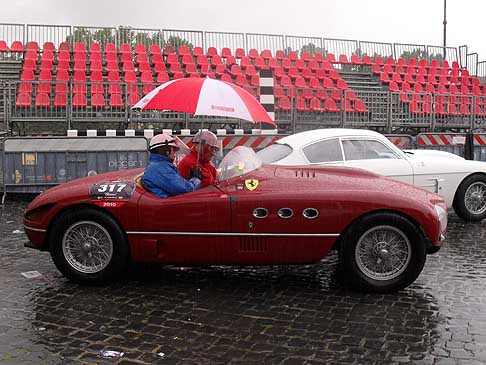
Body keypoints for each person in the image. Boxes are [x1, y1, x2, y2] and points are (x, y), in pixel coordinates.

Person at [142, 133, 201, 198]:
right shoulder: (160, 169)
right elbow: (186, 190)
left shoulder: (158, 166)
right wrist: (196, 179)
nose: (175, 154)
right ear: (167, 151)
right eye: (174, 150)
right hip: (169, 206)